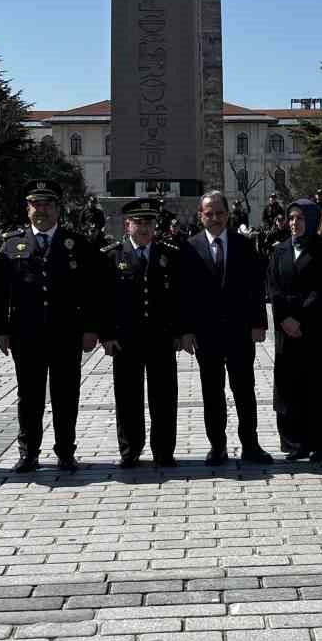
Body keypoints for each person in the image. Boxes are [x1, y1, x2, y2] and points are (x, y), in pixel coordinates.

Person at [0, 180, 103, 472]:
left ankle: (66, 450)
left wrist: (91, 328)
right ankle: (28, 451)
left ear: (58, 209)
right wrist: (0, 329)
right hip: (25, 333)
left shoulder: (76, 244)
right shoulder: (11, 244)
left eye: (47, 204)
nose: (41, 210)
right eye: (36, 204)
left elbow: (91, 291)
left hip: (65, 332)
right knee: (29, 395)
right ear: (27, 208)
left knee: (66, 394)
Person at [102, 198, 193, 468]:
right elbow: (104, 299)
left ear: (156, 225)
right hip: (126, 339)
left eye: (149, 222)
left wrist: (181, 332)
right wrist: (106, 334)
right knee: (128, 397)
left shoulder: (170, 253)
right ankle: (129, 449)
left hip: (161, 337)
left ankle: (164, 450)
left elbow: (179, 297)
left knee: (164, 396)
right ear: (127, 224)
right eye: (138, 222)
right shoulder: (113, 255)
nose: (143, 228)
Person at [185, 190, 274, 466]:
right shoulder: (189, 247)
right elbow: (185, 293)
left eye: (219, 213)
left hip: (239, 331)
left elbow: (256, 287)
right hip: (206, 334)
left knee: (244, 390)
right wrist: (186, 330)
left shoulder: (244, 245)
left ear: (228, 214)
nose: (215, 218)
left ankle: (251, 445)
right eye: (209, 214)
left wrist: (260, 322)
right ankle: (217, 447)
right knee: (212, 393)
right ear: (201, 216)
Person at [267, 198, 322, 461]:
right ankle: (294, 443)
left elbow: (320, 289)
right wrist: (284, 318)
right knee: (289, 386)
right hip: (286, 331)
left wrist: (301, 319)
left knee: (317, 387)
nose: (295, 223)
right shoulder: (280, 250)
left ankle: (320, 444)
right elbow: (273, 288)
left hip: (315, 329)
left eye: (300, 218)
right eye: (292, 218)